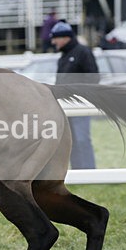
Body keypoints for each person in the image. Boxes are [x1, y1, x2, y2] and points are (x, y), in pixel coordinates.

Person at [50, 21, 99, 169]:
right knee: (71, 141)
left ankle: (89, 172)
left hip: (80, 104)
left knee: (82, 139)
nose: (53, 42)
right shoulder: (63, 58)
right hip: (65, 107)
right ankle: (78, 171)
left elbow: (93, 77)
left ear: (65, 38)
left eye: (55, 38)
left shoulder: (83, 52)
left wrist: (79, 95)